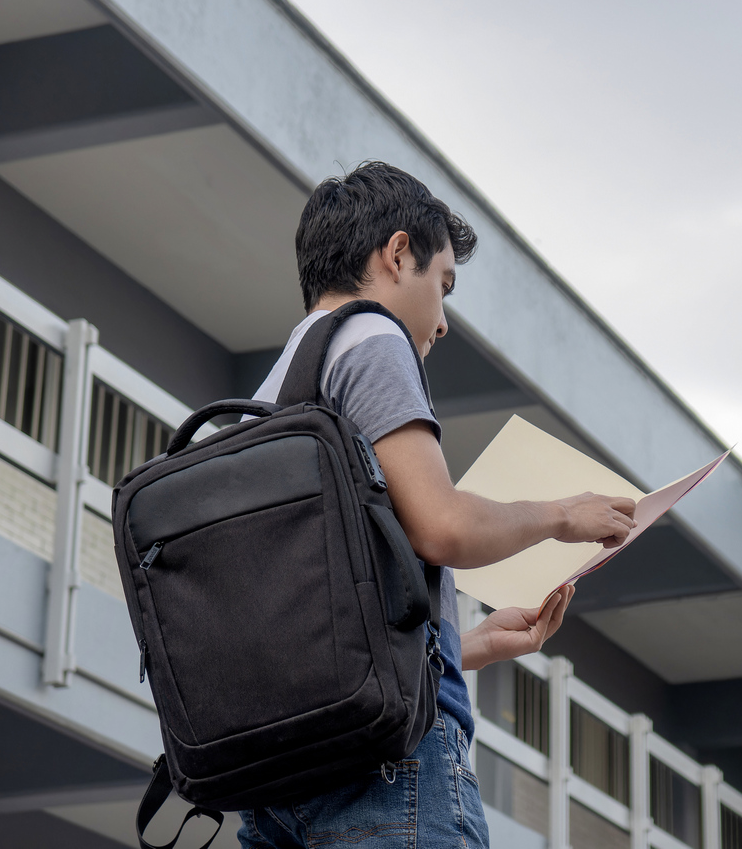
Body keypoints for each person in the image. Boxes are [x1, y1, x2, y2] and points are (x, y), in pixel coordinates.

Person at [239, 161, 637, 848]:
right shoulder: (373, 339)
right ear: (397, 254)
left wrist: (467, 645)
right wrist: (561, 518)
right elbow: (443, 528)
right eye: (442, 284)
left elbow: (324, 622)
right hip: (387, 772)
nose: (443, 322)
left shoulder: (274, 390)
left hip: (277, 777)